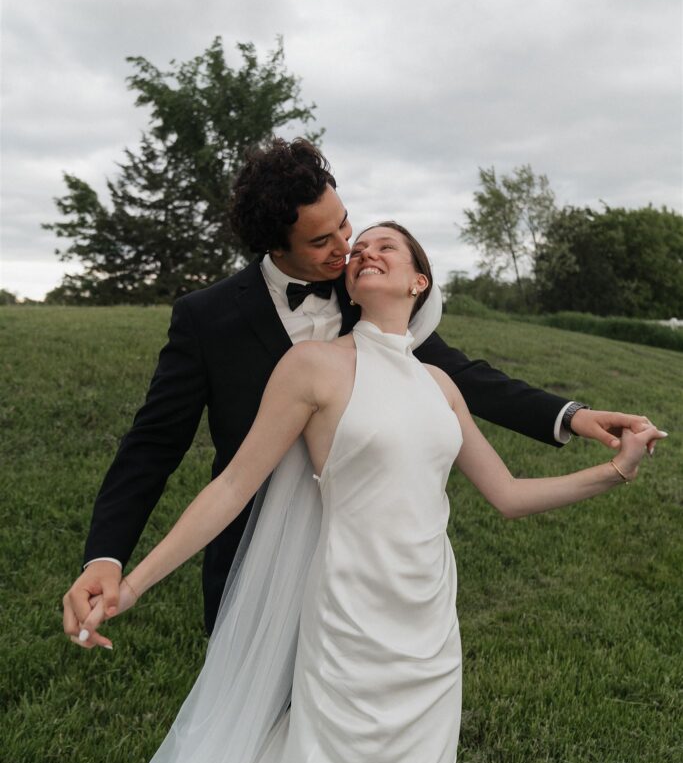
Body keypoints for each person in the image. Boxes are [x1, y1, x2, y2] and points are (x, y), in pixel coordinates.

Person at [78, 221, 665, 763]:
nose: (363, 252)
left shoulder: (440, 384)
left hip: (430, 622)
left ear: (420, 281)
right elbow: (232, 487)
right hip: (349, 611)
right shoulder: (312, 366)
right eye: (359, 250)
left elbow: (508, 495)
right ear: (349, 289)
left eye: (385, 246)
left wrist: (615, 472)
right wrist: (131, 583)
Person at [63, 139, 656, 648]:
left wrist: (571, 415)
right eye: (323, 241)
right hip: (254, 550)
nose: (346, 246)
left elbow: (461, 376)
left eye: (345, 222)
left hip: (369, 553)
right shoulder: (205, 318)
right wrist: (108, 559)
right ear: (276, 246)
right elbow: (152, 446)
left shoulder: (368, 288)